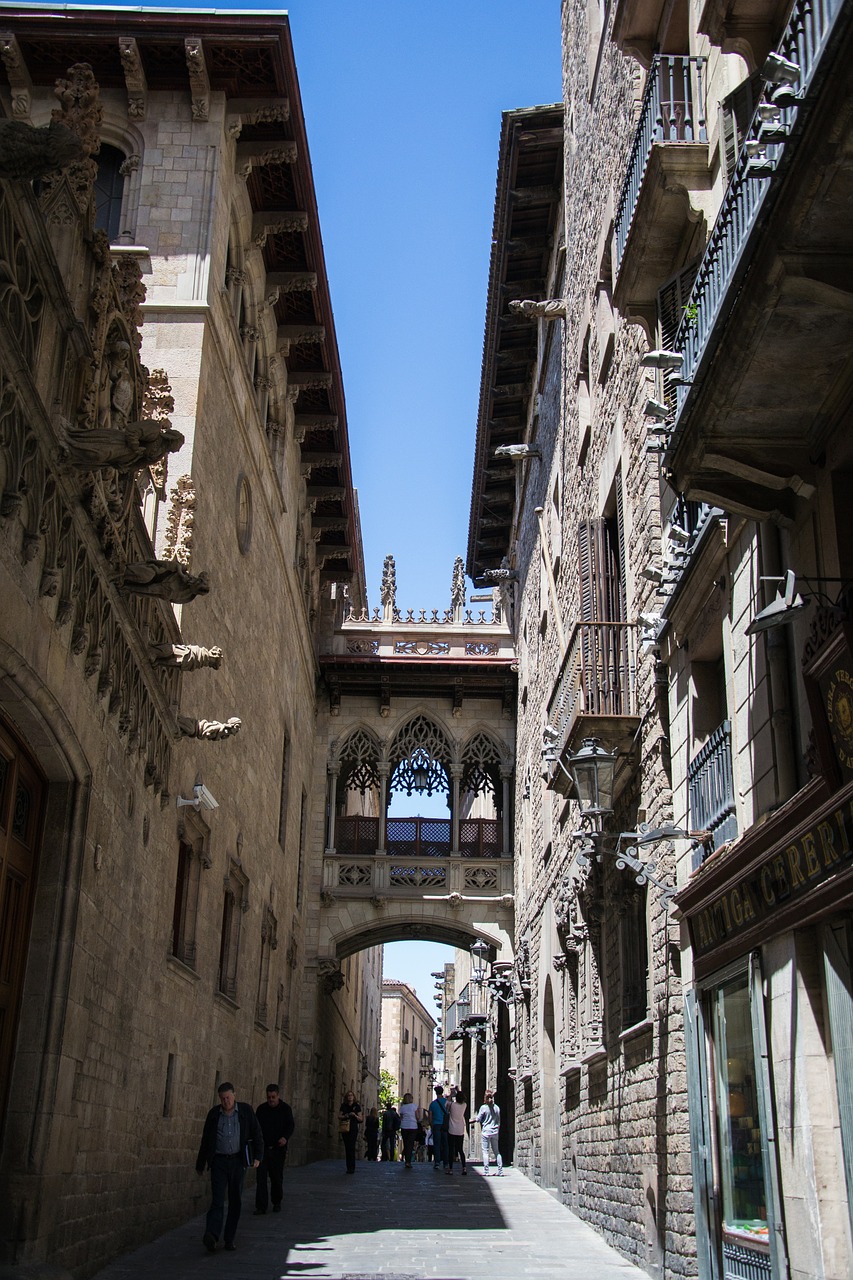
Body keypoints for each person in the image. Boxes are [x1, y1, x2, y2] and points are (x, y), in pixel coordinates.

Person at [196, 1080, 263, 1253]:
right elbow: (206, 1140)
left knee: (235, 1201)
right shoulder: (214, 1115)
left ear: (234, 1095)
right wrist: (200, 1163)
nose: (226, 1101)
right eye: (222, 1098)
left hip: (237, 1162)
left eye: (228, 1097)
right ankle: (212, 1235)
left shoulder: (245, 1111)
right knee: (217, 1199)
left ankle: (229, 1238)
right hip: (219, 1161)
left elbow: (257, 1133)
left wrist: (258, 1156)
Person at [254, 1083, 295, 1215]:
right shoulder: (261, 1110)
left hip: (278, 1150)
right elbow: (256, 1127)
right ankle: (261, 1206)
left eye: (273, 1097)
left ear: (278, 1096)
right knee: (261, 1178)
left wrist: (285, 1137)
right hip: (263, 1149)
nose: (271, 1099)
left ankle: (277, 1201)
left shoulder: (285, 1109)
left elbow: (290, 1125)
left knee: (276, 1177)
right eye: (269, 1097)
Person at [475, 1088, 502, 1176]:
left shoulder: (483, 1108)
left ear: (485, 1098)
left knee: (485, 1152)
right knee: (497, 1152)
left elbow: (478, 1119)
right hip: (494, 1131)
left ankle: (486, 1171)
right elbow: (498, 1120)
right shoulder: (497, 1108)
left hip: (486, 1131)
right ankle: (500, 1171)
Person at [339, 1090, 363, 1174]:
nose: (350, 1097)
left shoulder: (357, 1106)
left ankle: (352, 1167)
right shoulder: (344, 1106)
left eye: (351, 1095)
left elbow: (361, 1119)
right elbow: (339, 1116)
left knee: (351, 1147)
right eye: (348, 1095)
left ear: (353, 1097)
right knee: (347, 1147)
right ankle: (348, 1167)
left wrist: (355, 1115)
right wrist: (345, 1116)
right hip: (345, 1128)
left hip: (353, 1128)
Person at [428, 1084, 450, 1172]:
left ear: (436, 1093)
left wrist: (431, 1125)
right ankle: (446, 1163)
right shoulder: (447, 1102)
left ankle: (437, 1162)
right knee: (445, 1144)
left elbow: (430, 1116)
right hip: (445, 1125)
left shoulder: (433, 1104)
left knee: (437, 1144)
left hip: (436, 1125)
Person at [447, 1088, 468, 1175]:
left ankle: (450, 1169)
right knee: (460, 1149)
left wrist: (451, 1095)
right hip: (460, 1130)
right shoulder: (464, 1105)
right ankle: (464, 1168)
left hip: (452, 1129)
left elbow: (446, 1103)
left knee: (451, 1149)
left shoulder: (452, 1105)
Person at [398, 1092, 421, 1169]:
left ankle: (406, 1160)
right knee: (410, 1144)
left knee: (406, 1143)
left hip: (404, 1127)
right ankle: (408, 1161)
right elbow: (418, 1117)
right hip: (413, 1127)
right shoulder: (414, 1106)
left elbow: (401, 1118)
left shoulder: (402, 1108)